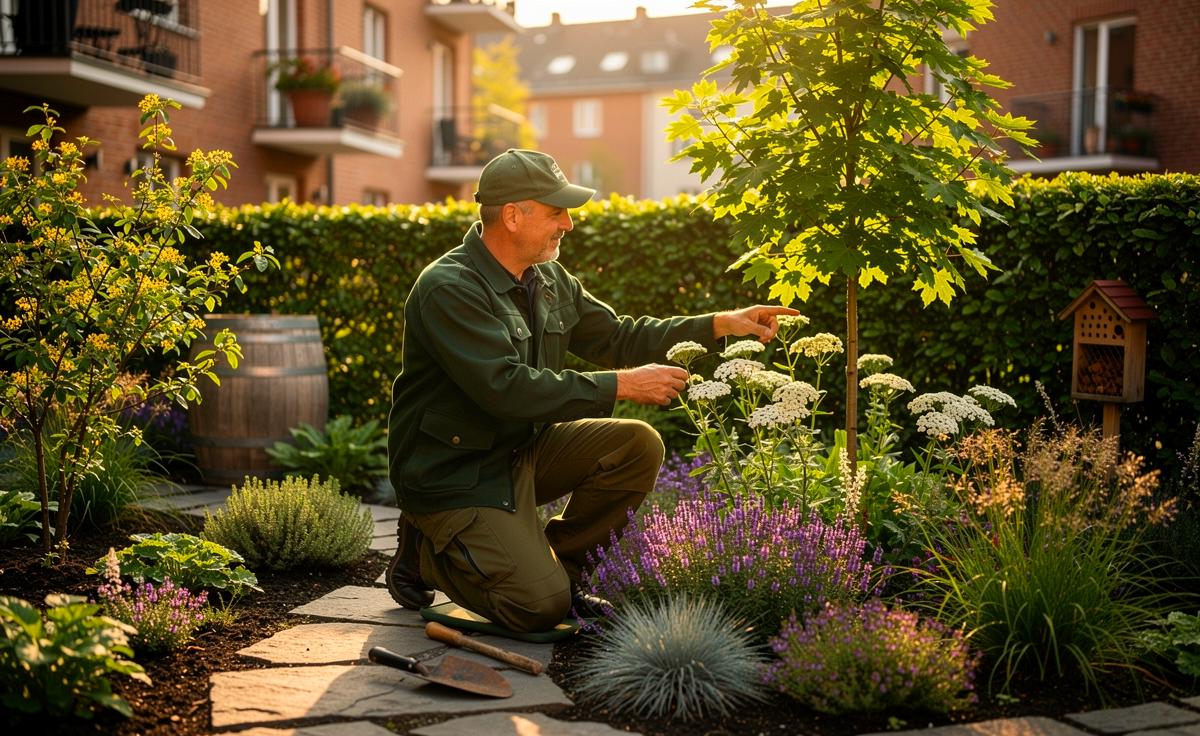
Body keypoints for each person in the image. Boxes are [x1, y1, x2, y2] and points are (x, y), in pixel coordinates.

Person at [386, 149, 796, 632]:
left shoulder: (549, 278)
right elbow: (505, 389)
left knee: (636, 444)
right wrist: (623, 384)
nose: (569, 224)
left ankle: (561, 571)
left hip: (518, 450)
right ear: (514, 216)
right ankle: (429, 550)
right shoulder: (449, 287)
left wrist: (722, 323)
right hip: (455, 471)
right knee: (536, 609)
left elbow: (618, 336)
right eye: (557, 211)